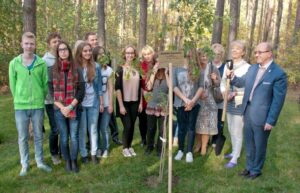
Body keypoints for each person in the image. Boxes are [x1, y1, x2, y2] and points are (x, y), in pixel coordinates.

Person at [227, 42, 287, 179]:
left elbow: (278, 101)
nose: (256, 55)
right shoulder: (253, 68)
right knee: (249, 143)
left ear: (269, 53)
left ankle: (256, 170)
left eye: (260, 52)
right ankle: (248, 167)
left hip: (263, 116)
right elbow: (241, 82)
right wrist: (233, 77)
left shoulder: (278, 74)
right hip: (247, 111)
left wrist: (271, 120)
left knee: (259, 144)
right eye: (255, 52)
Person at [9, 32, 52, 176]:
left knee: (38, 135)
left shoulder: (41, 63)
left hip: (38, 105)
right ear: (22, 44)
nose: (29, 46)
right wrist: (19, 98)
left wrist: (40, 97)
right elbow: (13, 85)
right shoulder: (14, 63)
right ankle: (24, 164)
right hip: (21, 106)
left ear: (35, 45)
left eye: (31, 44)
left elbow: (45, 84)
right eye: (26, 43)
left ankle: (39, 162)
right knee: (23, 137)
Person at [49, 41, 85, 173]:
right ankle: (67, 160)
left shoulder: (77, 69)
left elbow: (81, 90)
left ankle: (74, 160)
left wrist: (70, 106)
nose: (63, 52)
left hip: (74, 107)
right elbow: (50, 91)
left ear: (69, 51)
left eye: (65, 49)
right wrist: (62, 107)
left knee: (74, 136)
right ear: (57, 53)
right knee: (63, 137)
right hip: (59, 109)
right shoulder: (52, 70)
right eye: (60, 50)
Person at [220, 40, 250, 168]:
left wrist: (235, 94)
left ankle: (235, 158)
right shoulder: (228, 65)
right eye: (233, 49)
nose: (234, 51)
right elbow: (222, 82)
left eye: (238, 49)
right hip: (228, 101)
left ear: (243, 52)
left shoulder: (247, 67)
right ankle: (233, 151)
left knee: (237, 130)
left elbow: (246, 86)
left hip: (239, 102)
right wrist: (224, 93)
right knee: (231, 128)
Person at [173, 49, 203, 163]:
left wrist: (192, 101)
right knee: (181, 128)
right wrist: (185, 99)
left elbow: (201, 86)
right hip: (181, 103)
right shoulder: (176, 67)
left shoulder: (198, 68)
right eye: (186, 52)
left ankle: (189, 151)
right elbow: (174, 86)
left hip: (194, 103)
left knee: (191, 127)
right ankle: (180, 150)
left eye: (191, 53)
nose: (188, 55)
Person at [76, 42, 103, 164]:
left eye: (89, 51)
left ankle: (93, 153)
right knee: (82, 130)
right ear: (80, 52)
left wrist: (101, 103)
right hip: (81, 104)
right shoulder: (76, 67)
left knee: (93, 129)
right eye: (85, 51)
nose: (87, 53)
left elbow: (100, 87)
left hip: (94, 103)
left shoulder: (96, 66)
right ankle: (83, 154)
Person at [115, 45, 143, 157]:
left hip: (135, 102)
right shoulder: (120, 69)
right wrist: (121, 106)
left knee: (132, 125)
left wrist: (141, 102)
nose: (130, 55)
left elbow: (141, 87)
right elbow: (117, 89)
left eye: (132, 53)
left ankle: (130, 146)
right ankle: (125, 148)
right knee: (127, 125)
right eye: (128, 53)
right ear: (124, 54)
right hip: (124, 102)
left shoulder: (138, 69)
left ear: (135, 55)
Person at [194, 48, 221, 156]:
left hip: (209, 98)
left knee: (205, 124)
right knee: (197, 123)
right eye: (201, 56)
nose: (204, 58)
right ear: (198, 57)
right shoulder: (195, 68)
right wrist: (199, 94)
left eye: (206, 56)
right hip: (196, 97)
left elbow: (218, 83)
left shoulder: (213, 67)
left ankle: (204, 146)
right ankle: (198, 143)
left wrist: (214, 79)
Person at [43, 32, 62, 165]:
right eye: (54, 41)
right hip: (51, 101)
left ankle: (62, 151)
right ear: (49, 44)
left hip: (64, 99)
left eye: (58, 41)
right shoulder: (45, 61)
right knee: (55, 128)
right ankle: (54, 154)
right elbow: (46, 83)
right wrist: (53, 99)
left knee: (63, 127)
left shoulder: (63, 57)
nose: (56, 43)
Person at [93, 46, 114, 158]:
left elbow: (111, 88)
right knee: (95, 128)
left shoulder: (109, 70)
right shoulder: (93, 69)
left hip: (106, 104)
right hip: (94, 104)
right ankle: (97, 148)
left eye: (103, 53)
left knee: (104, 128)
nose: (101, 56)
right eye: (99, 54)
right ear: (95, 56)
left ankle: (105, 148)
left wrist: (110, 104)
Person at [144, 65, 169, 156]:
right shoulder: (152, 73)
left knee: (162, 130)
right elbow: (149, 87)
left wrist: (166, 73)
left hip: (163, 106)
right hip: (152, 105)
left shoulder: (169, 73)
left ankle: (160, 148)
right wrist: (153, 73)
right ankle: (150, 146)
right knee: (151, 128)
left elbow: (170, 88)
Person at [139, 45, 158, 146]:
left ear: (153, 53)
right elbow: (139, 83)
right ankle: (143, 139)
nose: (147, 56)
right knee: (143, 119)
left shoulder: (157, 64)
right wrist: (143, 92)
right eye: (145, 54)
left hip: (155, 94)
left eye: (149, 54)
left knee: (152, 120)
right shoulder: (141, 66)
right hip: (144, 94)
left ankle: (152, 140)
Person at [211, 43, 226, 150]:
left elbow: (226, 82)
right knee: (208, 118)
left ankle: (216, 139)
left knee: (219, 120)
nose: (216, 56)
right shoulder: (208, 65)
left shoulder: (225, 67)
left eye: (219, 54)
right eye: (214, 54)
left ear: (222, 55)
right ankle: (205, 139)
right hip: (208, 97)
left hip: (220, 97)